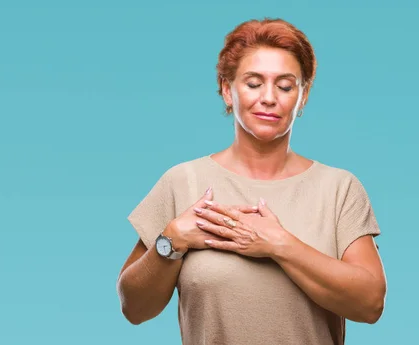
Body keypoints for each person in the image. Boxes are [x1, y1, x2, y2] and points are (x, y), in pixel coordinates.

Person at [116, 17, 386, 345]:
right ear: (227, 90)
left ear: (303, 96)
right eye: (254, 83)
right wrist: (171, 241)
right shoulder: (182, 182)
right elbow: (134, 308)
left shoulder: (339, 189)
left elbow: (371, 304)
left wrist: (278, 245)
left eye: (285, 86)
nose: (269, 98)